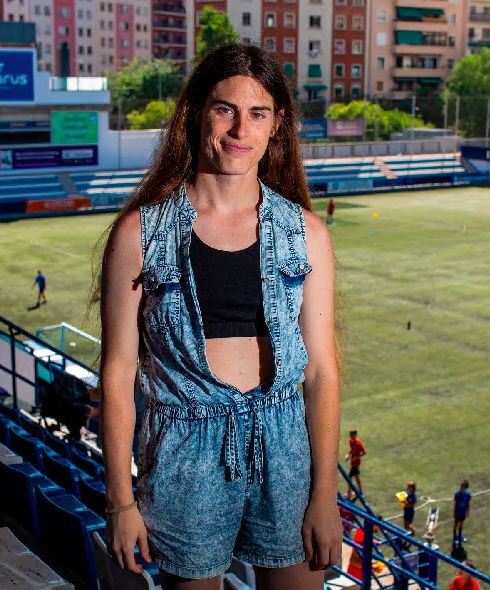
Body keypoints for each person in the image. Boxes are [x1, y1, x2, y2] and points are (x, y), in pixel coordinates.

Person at [98, 43, 342, 588]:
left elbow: (322, 373)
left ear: (277, 125)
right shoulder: (141, 234)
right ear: (195, 113)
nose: (240, 129)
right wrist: (121, 502)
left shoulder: (307, 233)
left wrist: (325, 495)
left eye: (258, 113)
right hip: (185, 453)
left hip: (283, 447)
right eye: (225, 108)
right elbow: (116, 374)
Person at [345, 429, 366, 499]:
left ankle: (348, 495)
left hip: (356, 463)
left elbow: (364, 452)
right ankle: (360, 491)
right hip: (352, 463)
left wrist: (356, 457)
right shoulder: (350, 441)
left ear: (355, 435)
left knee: (349, 478)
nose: (350, 436)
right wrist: (348, 454)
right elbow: (352, 450)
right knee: (356, 478)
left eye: (351, 435)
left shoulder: (358, 443)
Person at [453, 480, 472, 546]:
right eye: (461, 486)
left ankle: (460, 536)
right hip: (458, 512)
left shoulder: (468, 494)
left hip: (463, 512)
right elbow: (455, 504)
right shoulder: (457, 494)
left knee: (461, 524)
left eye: (462, 487)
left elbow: (468, 503)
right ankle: (455, 538)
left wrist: (468, 511)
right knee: (456, 525)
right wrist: (454, 512)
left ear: (466, 488)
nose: (461, 488)